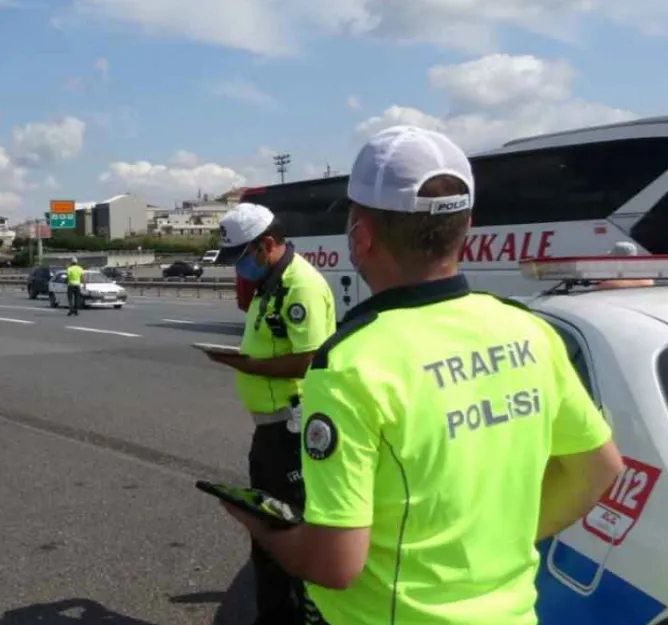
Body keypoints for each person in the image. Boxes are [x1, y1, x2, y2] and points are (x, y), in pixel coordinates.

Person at [219, 125, 625, 625]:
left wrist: (263, 528)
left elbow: (335, 564)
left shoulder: (352, 364)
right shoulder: (530, 331)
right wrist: (493, 542)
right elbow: (601, 469)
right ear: (467, 226)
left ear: (361, 236)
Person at [203, 202, 337, 625]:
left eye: (242, 259)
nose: (238, 269)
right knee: (267, 531)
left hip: (293, 431)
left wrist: (245, 365)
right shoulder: (272, 283)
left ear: (266, 245)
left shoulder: (300, 286)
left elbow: (311, 358)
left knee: (287, 531)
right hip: (273, 429)